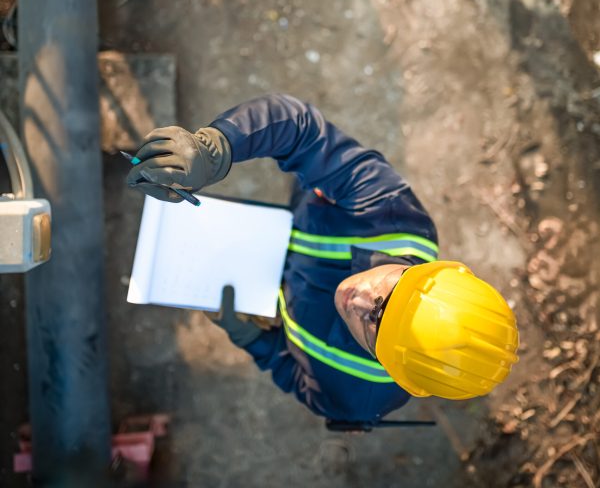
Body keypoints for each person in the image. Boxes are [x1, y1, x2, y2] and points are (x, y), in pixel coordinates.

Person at [127, 94, 518, 424]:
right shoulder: (390, 213)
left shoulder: (358, 399)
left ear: (389, 370)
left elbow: (299, 379)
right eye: (386, 296)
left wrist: (254, 340)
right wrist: (217, 148)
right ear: (425, 271)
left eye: (374, 329)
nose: (358, 299)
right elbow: (300, 131)